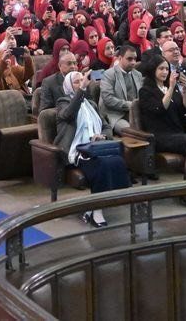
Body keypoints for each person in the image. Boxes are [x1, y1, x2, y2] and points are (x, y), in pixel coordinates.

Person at [54, 70, 130, 229]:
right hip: (78, 150)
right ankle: (97, 210)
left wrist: (102, 136)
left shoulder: (92, 104)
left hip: (96, 147)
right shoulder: (63, 102)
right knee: (102, 164)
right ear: (68, 85)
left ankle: (94, 207)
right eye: (77, 81)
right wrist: (81, 90)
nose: (82, 83)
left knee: (117, 161)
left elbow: (106, 126)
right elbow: (68, 115)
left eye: (83, 80)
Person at [136, 58, 186, 209]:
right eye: (161, 69)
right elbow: (160, 109)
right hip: (160, 135)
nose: (165, 72)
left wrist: (184, 91)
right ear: (153, 71)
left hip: (177, 131)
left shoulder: (172, 87)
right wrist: (171, 87)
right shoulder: (146, 91)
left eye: (166, 69)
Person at [98, 44, 141, 137]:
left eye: (135, 59)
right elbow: (108, 99)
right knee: (132, 133)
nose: (133, 62)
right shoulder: (109, 74)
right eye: (129, 59)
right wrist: (131, 105)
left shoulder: (138, 74)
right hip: (114, 115)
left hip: (135, 113)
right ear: (120, 58)